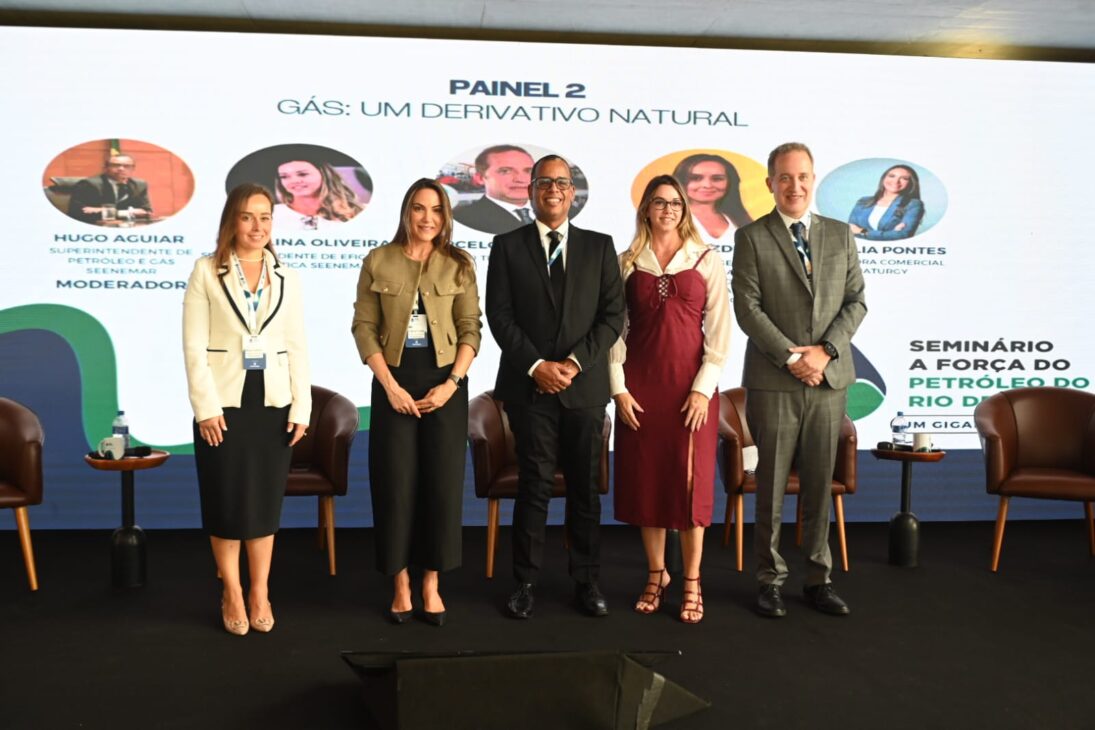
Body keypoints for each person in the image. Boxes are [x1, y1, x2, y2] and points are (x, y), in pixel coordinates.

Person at [486, 155, 625, 619]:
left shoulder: (600, 247)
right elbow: (500, 317)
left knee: (585, 489)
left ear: (572, 194)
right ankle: (524, 583)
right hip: (530, 390)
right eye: (544, 182)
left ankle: (586, 581)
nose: (553, 189)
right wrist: (536, 365)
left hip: (583, 388)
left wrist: (571, 362)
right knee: (535, 487)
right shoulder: (506, 247)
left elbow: (612, 317)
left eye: (561, 183)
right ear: (531, 192)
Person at [731, 142, 866, 619]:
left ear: (814, 180)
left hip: (828, 381)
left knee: (817, 486)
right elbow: (747, 308)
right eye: (785, 177)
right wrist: (793, 358)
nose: (795, 186)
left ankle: (817, 578)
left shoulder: (839, 235)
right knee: (769, 486)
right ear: (770, 183)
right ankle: (769, 580)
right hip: (776, 381)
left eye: (803, 176)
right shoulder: (750, 237)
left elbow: (856, 302)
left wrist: (824, 352)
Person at [182, 183, 311, 636]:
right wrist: (205, 408)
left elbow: (296, 344)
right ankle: (232, 591)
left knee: (262, 501)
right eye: (247, 217)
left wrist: (303, 406)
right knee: (225, 497)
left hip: (272, 403)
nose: (257, 227)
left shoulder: (287, 275)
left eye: (265, 217)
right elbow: (194, 347)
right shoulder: (206, 271)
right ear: (231, 221)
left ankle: (260, 590)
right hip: (223, 403)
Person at [351, 178, 481, 626]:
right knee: (396, 484)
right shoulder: (378, 259)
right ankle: (401, 582)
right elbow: (364, 327)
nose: (427, 218)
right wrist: (389, 385)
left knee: (442, 485)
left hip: (445, 381)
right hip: (394, 380)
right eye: (419, 208)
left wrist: (452, 384)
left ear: (445, 217)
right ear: (406, 212)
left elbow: (470, 328)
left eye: (436, 210)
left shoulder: (459, 264)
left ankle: (431, 582)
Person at [609, 175, 731, 624]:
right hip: (640, 390)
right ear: (645, 209)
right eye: (659, 202)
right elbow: (614, 333)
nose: (668, 209)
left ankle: (693, 580)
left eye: (675, 202)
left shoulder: (706, 259)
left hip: (690, 390)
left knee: (692, 484)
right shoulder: (626, 262)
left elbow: (719, 332)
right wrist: (618, 388)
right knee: (648, 482)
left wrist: (703, 389)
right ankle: (657, 574)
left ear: (685, 208)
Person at [672, 153, 752, 246]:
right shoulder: (670, 219)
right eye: (696, 178)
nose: (707, 185)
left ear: (730, 183)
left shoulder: (742, 221)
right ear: (680, 181)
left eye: (717, 179)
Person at [453, 145, 535, 234]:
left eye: (529, 171)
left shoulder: (548, 213)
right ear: (480, 178)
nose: (521, 179)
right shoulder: (463, 219)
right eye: (505, 171)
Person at [273, 157, 364, 230]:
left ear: (324, 174)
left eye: (303, 174)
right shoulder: (272, 213)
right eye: (284, 176)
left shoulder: (358, 211)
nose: (294, 181)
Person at [67, 153, 152, 224]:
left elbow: (146, 211)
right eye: (115, 165)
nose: (121, 169)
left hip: (127, 226)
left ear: (133, 168)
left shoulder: (139, 185)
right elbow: (77, 212)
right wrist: (130, 212)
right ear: (106, 168)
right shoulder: (89, 184)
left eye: (127, 166)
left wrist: (106, 211)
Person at [848, 164, 925, 240]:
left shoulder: (913, 204)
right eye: (892, 176)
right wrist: (889, 233)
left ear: (911, 183)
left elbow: (902, 235)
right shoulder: (863, 201)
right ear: (883, 178)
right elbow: (850, 230)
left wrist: (862, 231)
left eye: (904, 178)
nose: (896, 181)